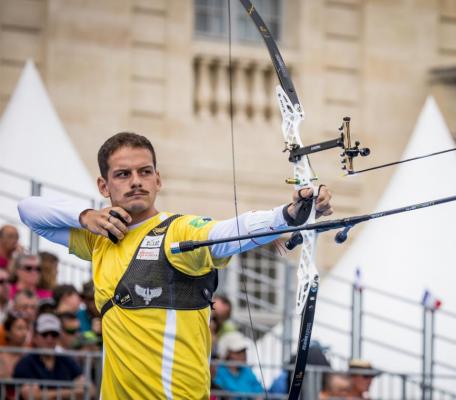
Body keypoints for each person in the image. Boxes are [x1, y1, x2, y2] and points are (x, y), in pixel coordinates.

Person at [17, 131, 333, 399]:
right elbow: (29, 210)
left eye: (145, 172)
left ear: (158, 179)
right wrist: (86, 215)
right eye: (123, 174)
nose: (136, 182)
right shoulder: (99, 238)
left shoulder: (177, 231)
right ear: (104, 186)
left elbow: (226, 232)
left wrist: (287, 215)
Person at [12, 313, 95, 399]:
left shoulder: (66, 360)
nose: (49, 339)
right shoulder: (25, 363)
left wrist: (46, 394)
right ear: (35, 337)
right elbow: (32, 396)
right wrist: (71, 392)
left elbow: (90, 389)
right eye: (44, 334)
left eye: (54, 334)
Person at [213, 331, 263, 397]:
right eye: (238, 352)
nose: (243, 355)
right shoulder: (219, 372)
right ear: (227, 354)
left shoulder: (247, 371)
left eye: (244, 351)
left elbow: (259, 391)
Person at [0, 312, 30, 378]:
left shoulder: (29, 355)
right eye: (19, 328)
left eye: (26, 328)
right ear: (7, 332)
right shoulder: (1, 355)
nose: (24, 332)